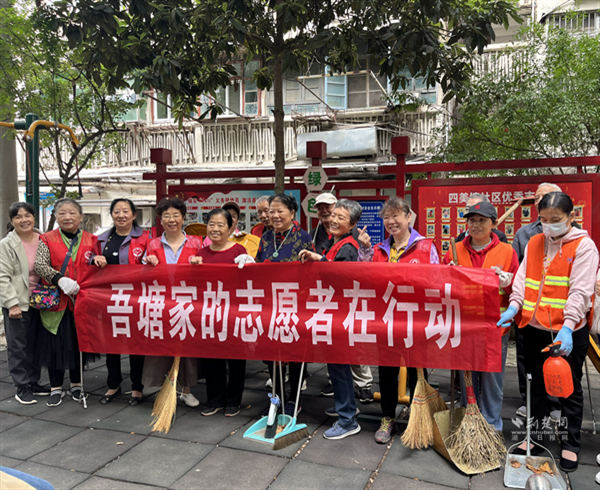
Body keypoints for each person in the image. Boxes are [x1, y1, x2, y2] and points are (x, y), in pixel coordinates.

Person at [498, 192, 599, 473]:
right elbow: (523, 280)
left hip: (567, 331)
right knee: (535, 387)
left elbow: (580, 291)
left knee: (568, 387)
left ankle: (570, 443)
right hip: (533, 328)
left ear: (571, 217)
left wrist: (567, 327)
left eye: (556, 219)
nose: (549, 225)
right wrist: (514, 306)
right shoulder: (535, 242)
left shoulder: (584, 247)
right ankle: (535, 437)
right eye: (543, 219)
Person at [358, 196, 440, 444]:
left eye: (396, 216)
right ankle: (387, 417)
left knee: (418, 372)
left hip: (416, 321)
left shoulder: (425, 247)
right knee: (386, 371)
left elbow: (436, 281)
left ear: (408, 217)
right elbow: (365, 277)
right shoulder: (379, 250)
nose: (391, 221)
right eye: (386, 217)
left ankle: (418, 418)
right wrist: (365, 250)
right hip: (387, 321)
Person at [443, 201, 519, 431]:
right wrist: (448, 275)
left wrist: (507, 282)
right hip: (464, 326)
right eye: (472, 220)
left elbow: (517, 289)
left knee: (492, 379)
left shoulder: (507, 252)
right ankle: (469, 423)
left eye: (482, 220)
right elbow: (441, 287)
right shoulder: (455, 250)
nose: (475, 225)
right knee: (467, 378)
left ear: (494, 224)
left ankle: (492, 426)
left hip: (495, 327)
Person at [300, 199, 363, 440]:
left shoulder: (347, 247)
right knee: (337, 366)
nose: (333, 220)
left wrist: (318, 261)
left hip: (339, 315)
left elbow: (339, 278)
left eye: (341, 217)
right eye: (333, 215)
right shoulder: (337, 243)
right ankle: (344, 407)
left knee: (339, 366)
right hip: (334, 313)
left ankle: (347, 419)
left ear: (353, 224)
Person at [33, 198, 98, 407]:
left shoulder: (92, 240)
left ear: (81, 217)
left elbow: (98, 264)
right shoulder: (46, 238)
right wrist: (60, 279)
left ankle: (77, 385)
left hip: (82, 301)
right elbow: (40, 265)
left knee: (79, 343)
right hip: (56, 301)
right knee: (55, 345)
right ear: (55, 216)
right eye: (62, 213)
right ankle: (55, 387)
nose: (67, 217)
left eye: (72, 213)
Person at [254, 194, 314, 416]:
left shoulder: (303, 236)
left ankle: (294, 399)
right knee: (272, 353)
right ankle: (276, 398)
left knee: (295, 353)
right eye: (272, 211)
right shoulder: (266, 237)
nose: (275, 216)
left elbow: (310, 271)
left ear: (292, 213)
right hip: (270, 303)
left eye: (280, 211)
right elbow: (259, 265)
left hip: (295, 304)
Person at [143, 197, 203, 408]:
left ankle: (186, 390)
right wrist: (148, 262)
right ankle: (165, 389)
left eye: (176, 215)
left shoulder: (197, 243)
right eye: (166, 216)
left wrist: (200, 262)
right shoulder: (153, 244)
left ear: (183, 218)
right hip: (162, 303)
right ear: (160, 220)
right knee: (162, 346)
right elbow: (142, 273)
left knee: (187, 349)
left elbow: (207, 270)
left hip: (188, 303)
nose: (171, 220)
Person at [91, 198, 150, 406]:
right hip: (109, 299)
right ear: (112, 214)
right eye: (117, 211)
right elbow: (87, 261)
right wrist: (93, 260)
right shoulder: (101, 240)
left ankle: (137, 387)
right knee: (111, 343)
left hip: (136, 299)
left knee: (136, 344)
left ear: (134, 215)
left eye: (126, 211)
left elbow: (154, 261)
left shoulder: (146, 238)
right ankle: (113, 385)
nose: (121, 215)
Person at [512, 182, 562, 418]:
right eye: (537, 198)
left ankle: (555, 402)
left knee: (555, 355)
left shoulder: (571, 233)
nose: (540, 201)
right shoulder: (524, 234)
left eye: (546, 197)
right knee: (526, 357)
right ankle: (529, 400)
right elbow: (517, 271)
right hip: (529, 310)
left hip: (557, 312)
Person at [198, 208, 254, 417]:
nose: (215, 229)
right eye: (211, 224)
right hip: (209, 313)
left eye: (221, 225)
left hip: (233, 314)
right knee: (212, 359)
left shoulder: (238, 251)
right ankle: (215, 399)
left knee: (236, 359)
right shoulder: (201, 254)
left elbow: (248, 281)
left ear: (230, 228)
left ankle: (233, 400)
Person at [0, 202, 50, 404]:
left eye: (27, 215)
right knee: (17, 345)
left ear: (34, 217)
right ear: (11, 221)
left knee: (35, 344)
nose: (24, 220)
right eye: (18, 217)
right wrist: (11, 303)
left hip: (41, 300)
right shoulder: (6, 244)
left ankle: (33, 381)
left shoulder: (44, 239)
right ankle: (22, 385)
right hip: (18, 301)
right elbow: (2, 277)